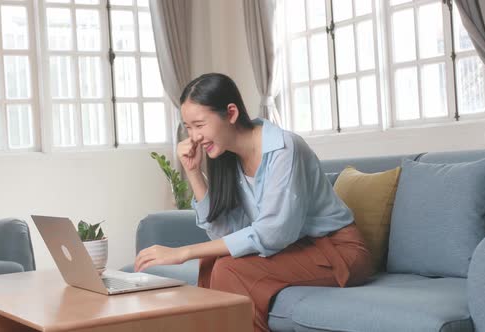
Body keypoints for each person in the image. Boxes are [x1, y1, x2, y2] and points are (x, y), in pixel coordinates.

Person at [134, 73, 372, 332]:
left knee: (229, 269)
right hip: (295, 249)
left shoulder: (284, 148)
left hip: (338, 251)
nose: (194, 137)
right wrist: (193, 171)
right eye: (188, 127)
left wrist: (184, 252)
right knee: (212, 262)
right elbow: (227, 232)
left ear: (231, 113)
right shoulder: (229, 158)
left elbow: (273, 233)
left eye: (199, 125)